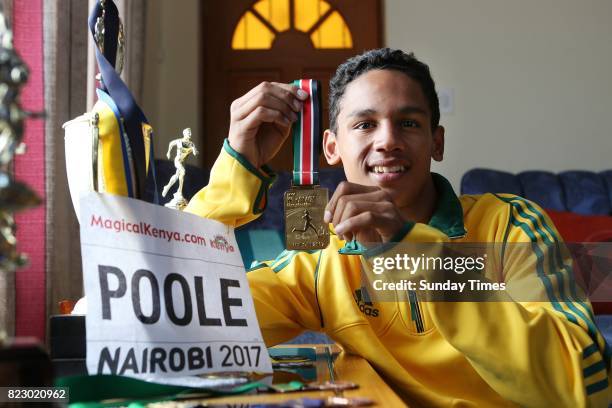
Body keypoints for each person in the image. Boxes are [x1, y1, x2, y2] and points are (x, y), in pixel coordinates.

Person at [186, 49, 610, 406]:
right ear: (332, 148)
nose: (387, 140)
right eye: (365, 124)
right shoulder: (320, 263)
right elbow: (181, 322)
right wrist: (235, 173)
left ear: (436, 142)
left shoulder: (509, 224)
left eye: (408, 123)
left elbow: (584, 384)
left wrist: (410, 251)